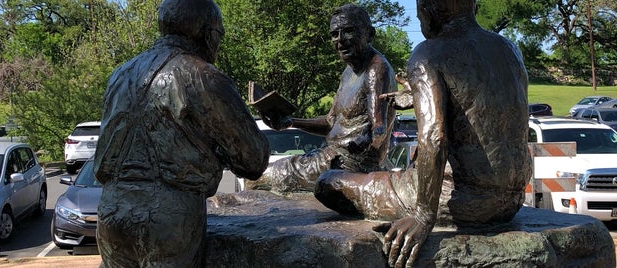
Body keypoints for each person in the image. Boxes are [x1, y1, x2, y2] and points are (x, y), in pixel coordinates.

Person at [314, 1, 532, 267]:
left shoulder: (428, 54)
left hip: (458, 200)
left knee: (328, 182)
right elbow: (489, 111)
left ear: (428, 11)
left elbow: (434, 138)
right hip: (511, 201)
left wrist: (422, 216)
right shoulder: (508, 49)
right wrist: (416, 97)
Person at [93, 0, 269, 266]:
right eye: (219, 35)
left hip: (112, 210)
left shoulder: (120, 74)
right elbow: (253, 159)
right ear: (207, 33)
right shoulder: (203, 76)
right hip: (169, 217)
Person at [248, 4, 397, 193]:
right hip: (328, 158)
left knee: (258, 179)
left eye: (348, 31)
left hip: (346, 165)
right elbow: (330, 122)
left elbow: (379, 127)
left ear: (370, 34)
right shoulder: (348, 72)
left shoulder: (376, 69)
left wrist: (364, 141)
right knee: (258, 176)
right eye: (335, 34)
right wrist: (290, 122)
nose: (340, 40)